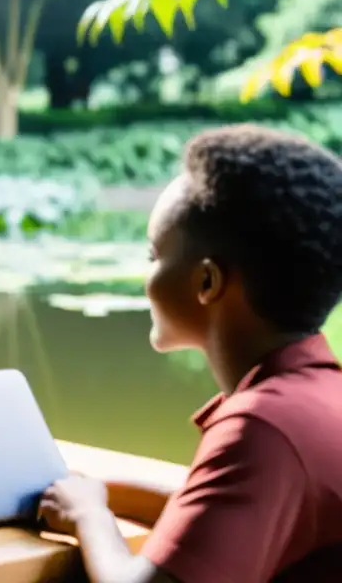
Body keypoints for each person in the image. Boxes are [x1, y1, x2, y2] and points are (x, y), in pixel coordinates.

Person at [40, 124, 342, 582]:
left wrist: (89, 516)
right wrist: (94, 489)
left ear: (206, 282)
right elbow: (209, 506)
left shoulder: (264, 427)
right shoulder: (318, 396)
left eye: (153, 255)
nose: (146, 277)